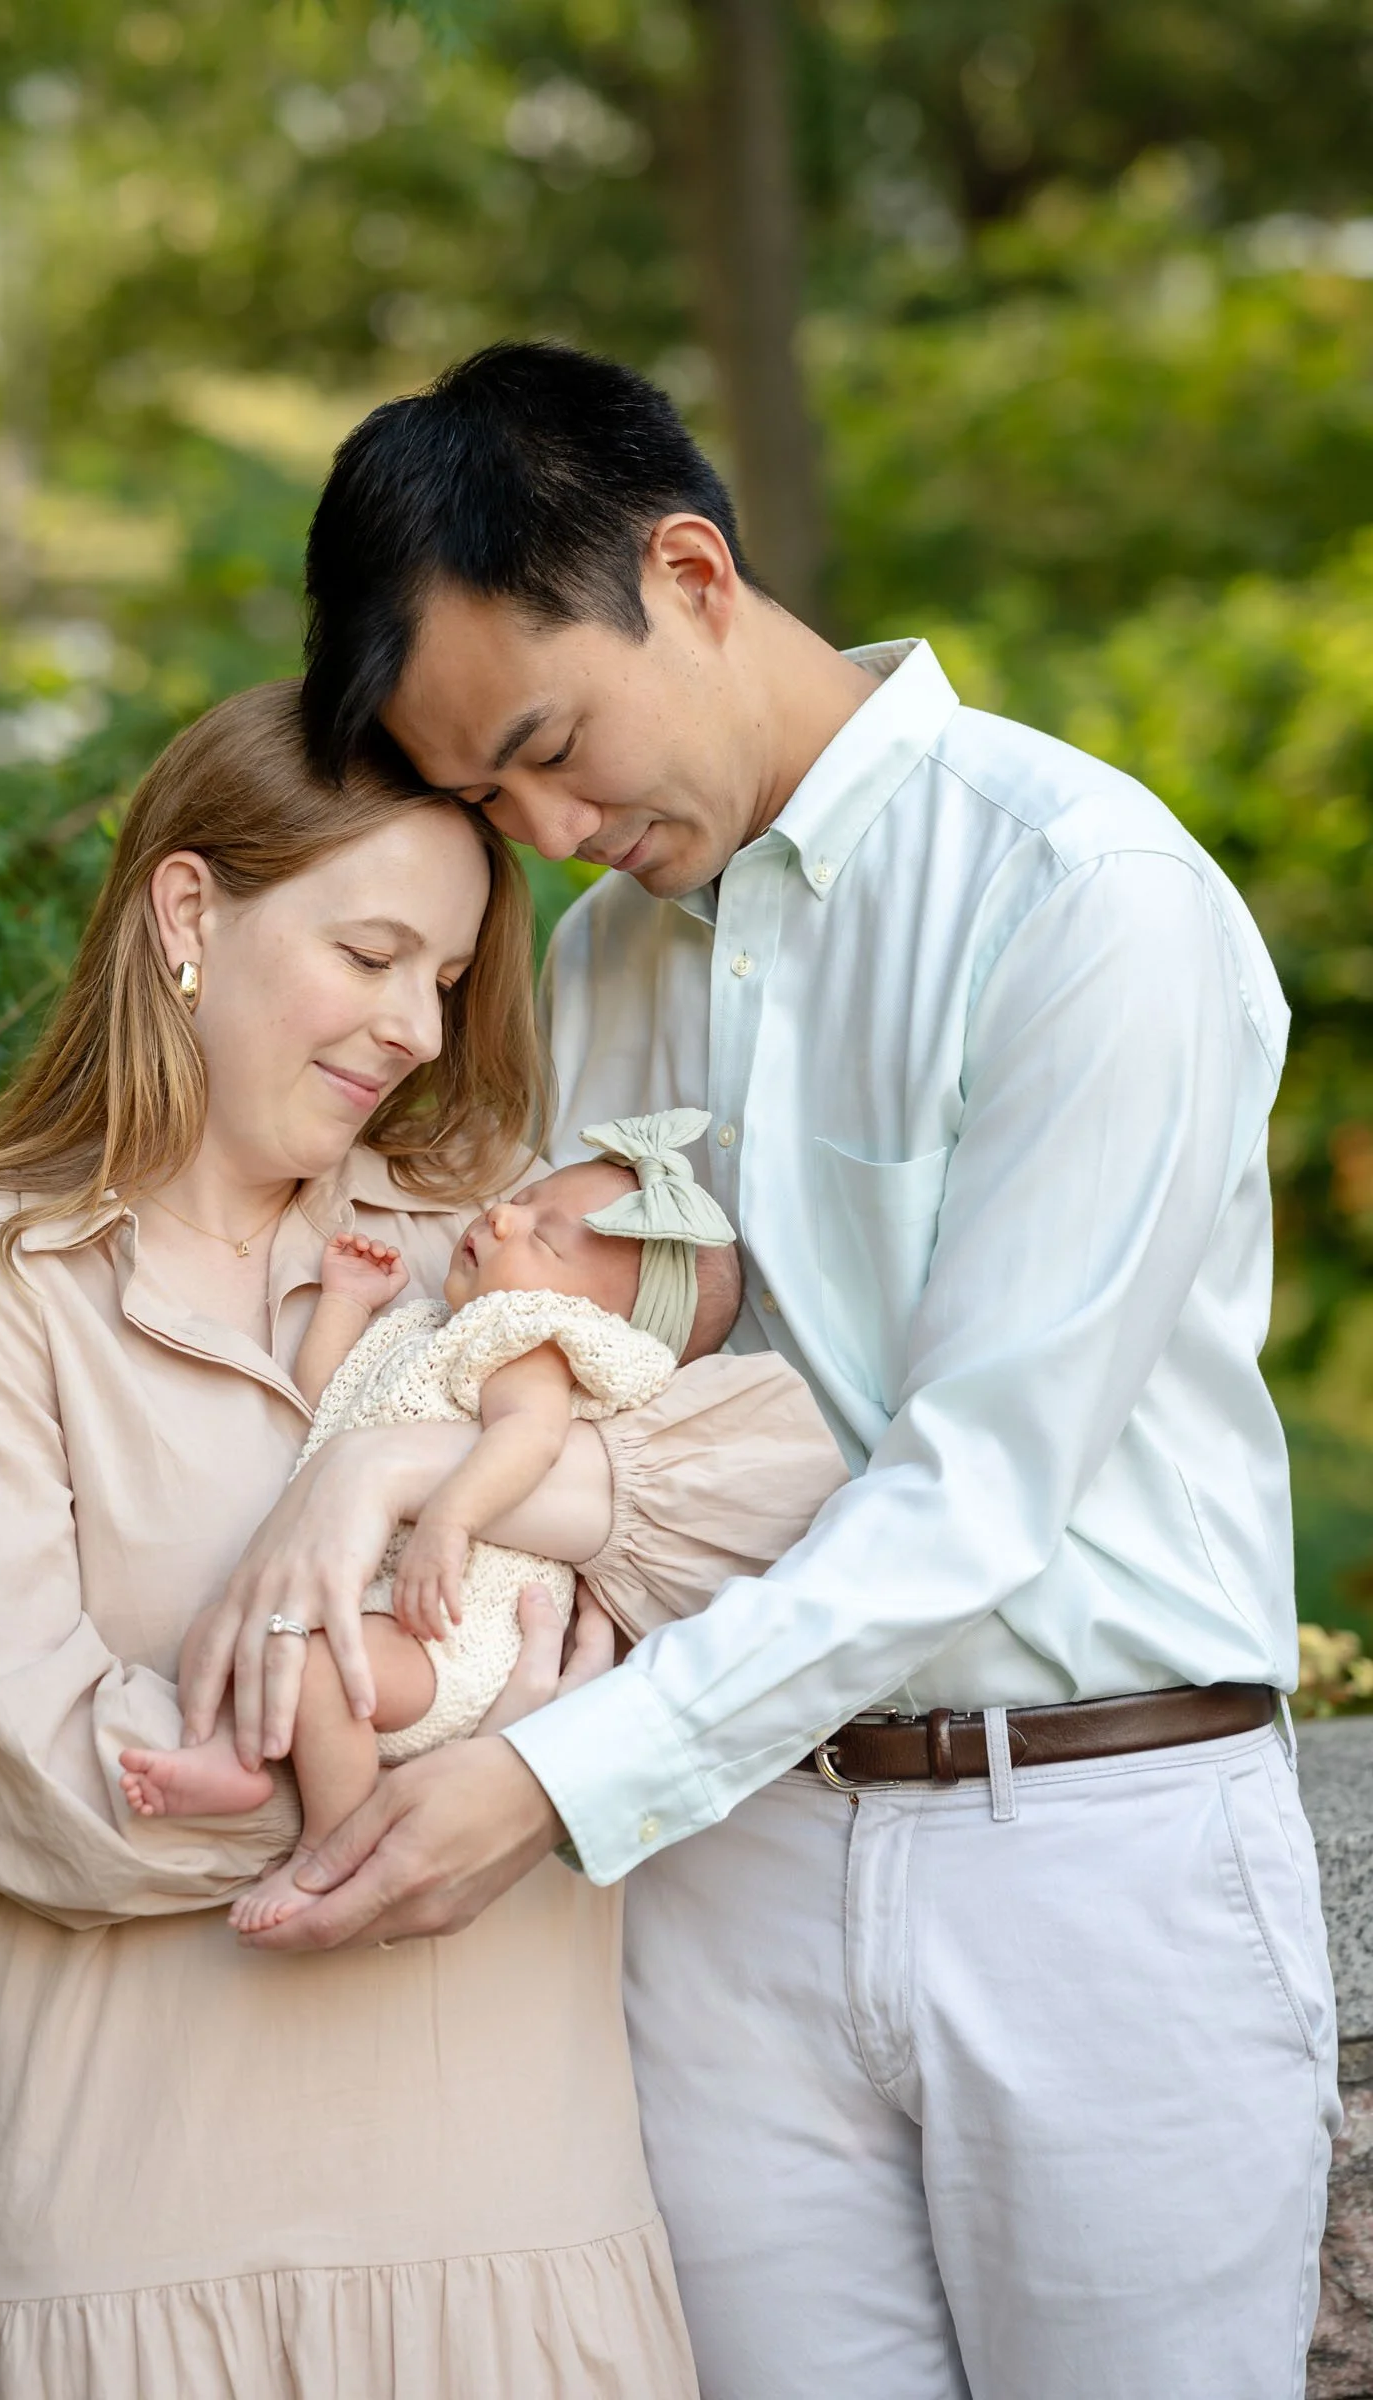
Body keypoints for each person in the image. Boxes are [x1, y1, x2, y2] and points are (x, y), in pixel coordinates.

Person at [227, 342, 1339, 2400]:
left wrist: (557, 1781)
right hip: (721, 1868)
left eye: (553, 748)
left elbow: (978, 1485)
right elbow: (585, 1389)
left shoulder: (1077, 898)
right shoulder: (602, 960)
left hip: (1086, 1851)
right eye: (489, 803)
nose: (553, 835)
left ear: (691, 575)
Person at [0, 678, 840, 2399]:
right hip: (104, 2235)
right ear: (187, 913)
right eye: (371, 955)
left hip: (508, 2227)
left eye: (445, 978)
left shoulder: (488, 1243)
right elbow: (43, 1786)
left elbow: (799, 1492)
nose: (418, 1031)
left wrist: (397, 1475)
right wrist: (511, 1762)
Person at [121, 1115, 758, 1936]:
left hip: (451, 1631)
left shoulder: (532, 1345)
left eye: (544, 1239)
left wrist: (450, 1518)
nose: (504, 1216)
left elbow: (528, 1439)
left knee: (317, 1667)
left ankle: (333, 1843)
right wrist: (346, 1305)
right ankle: (231, 1759)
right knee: (229, 1627)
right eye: (527, 1198)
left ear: (600, 1321)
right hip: (380, 1605)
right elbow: (328, 1407)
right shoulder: (433, 1330)